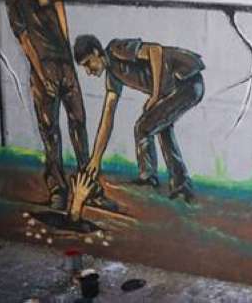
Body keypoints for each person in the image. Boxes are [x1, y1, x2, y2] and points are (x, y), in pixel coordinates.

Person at [5, 0, 112, 210]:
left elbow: (60, 10)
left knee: (78, 121)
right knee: (49, 130)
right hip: (42, 69)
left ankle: (88, 184)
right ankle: (57, 188)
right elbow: (25, 42)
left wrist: (66, 48)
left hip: (64, 64)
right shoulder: (15, 1)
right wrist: (42, 76)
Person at [74, 35, 204, 203]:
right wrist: (95, 159)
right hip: (183, 86)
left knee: (143, 128)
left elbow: (155, 50)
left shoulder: (116, 49)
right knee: (159, 126)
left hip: (186, 80)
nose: (88, 71)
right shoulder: (113, 76)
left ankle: (148, 179)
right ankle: (182, 185)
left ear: (96, 52)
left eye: (87, 63)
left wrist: (155, 95)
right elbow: (108, 116)